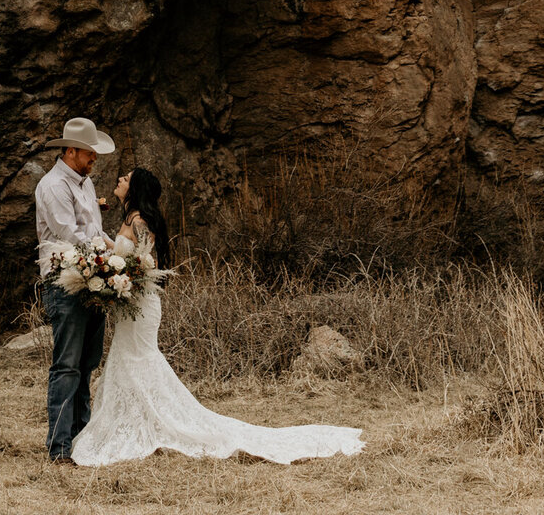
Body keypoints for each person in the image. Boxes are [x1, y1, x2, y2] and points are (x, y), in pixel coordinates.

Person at [71, 165, 365, 467]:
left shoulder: (140, 220)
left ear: (135, 189)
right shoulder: (131, 219)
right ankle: (133, 421)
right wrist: (103, 253)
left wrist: (117, 272)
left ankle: (153, 423)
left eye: (126, 179)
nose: (120, 180)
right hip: (131, 305)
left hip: (141, 306)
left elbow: (147, 261)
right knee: (130, 360)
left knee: (138, 360)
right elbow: (128, 252)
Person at [34, 116, 116, 465]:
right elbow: (70, 235)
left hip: (90, 277)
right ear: (70, 151)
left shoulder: (83, 182)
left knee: (87, 362)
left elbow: (94, 231)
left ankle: (82, 440)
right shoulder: (53, 185)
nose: (94, 158)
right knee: (67, 364)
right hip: (65, 280)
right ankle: (60, 448)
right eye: (88, 153)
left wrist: (119, 253)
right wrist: (108, 258)